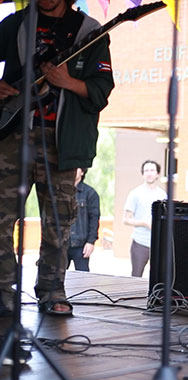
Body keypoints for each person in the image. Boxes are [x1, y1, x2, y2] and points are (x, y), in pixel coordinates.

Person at [0, 0, 114, 321]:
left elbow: (101, 90)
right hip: (13, 136)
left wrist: (67, 82)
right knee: (1, 217)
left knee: (59, 220)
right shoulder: (17, 23)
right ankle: (2, 292)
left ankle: (52, 290)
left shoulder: (90, 32)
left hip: (62, 141)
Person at [123, 160, 166, 277]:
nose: (149, 173)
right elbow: (126, 219)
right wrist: (145, 223)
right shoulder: (135, 193)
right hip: (140, 242)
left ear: (157, 174)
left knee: (158, 277)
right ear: (142, 174)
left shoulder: (162, 195)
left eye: (152, 170)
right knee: (136, 276)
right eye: (146, 170)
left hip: (158, 243)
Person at [67, 168, 100, 272]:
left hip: (81, 245)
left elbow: (94, 219)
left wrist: (91, 242)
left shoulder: (90, 193)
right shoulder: (61, 192)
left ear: (82, 172)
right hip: (62, 244)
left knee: (83, 278)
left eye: (77, 168)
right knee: (58, 278)